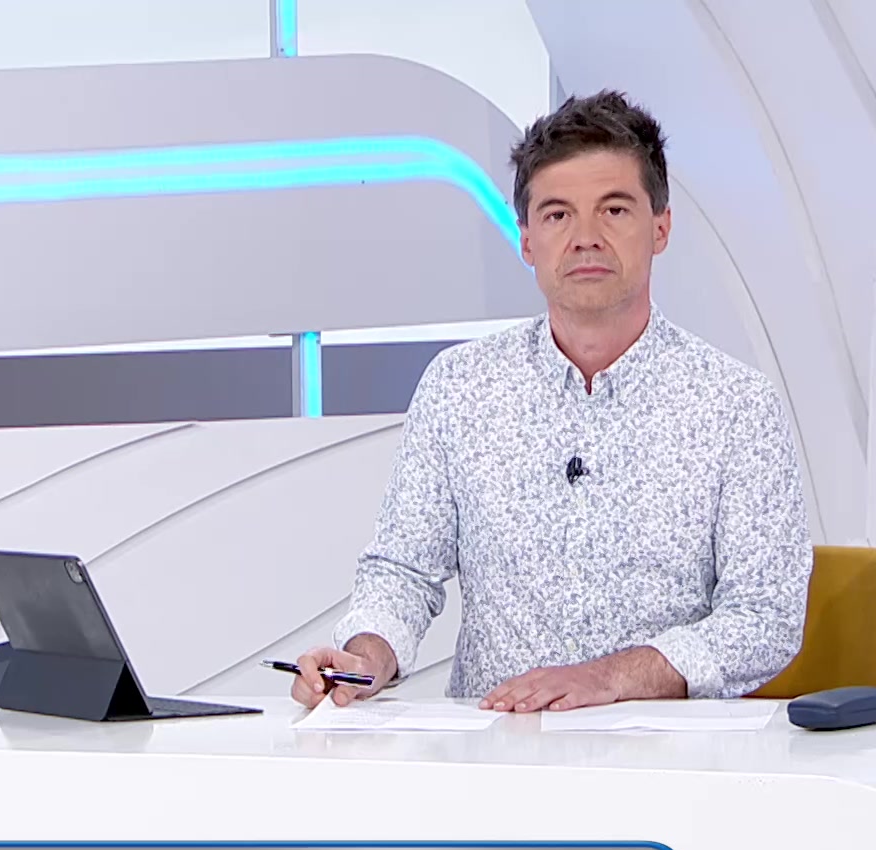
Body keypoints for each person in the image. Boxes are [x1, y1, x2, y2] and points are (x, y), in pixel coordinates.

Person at [293, 90, 810, 713]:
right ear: (527, 240)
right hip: (498, 748)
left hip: (668, 754)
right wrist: (365, 657)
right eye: (558, 215)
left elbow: (765, 618)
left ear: (661, 228)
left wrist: (611, 678)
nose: (586, 238)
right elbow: (402, 571)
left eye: (614, 210)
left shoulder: (736, 405)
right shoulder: (461, 388)